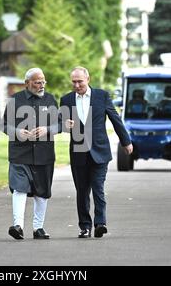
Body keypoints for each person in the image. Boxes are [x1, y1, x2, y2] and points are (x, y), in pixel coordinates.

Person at [60, 67, 133, 238]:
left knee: (98, 188)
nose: (77, 85)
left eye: (80, 81)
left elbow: (115, 119)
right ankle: (85, 226)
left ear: (88, 79)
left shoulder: (102, 96)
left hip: (99, 150)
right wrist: (65, 124)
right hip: (78, 152)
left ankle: (100, 223)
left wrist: (126, 141)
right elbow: (60, 122)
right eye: (74, 82)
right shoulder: (66, 100)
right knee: (82, 191)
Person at [3, 68, 60, 240]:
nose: (41, 85)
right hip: (20, 153)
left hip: (44, 154)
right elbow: (4, 125)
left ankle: (38, 228)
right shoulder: (15, 100)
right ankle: (18, 226)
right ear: (27, 83)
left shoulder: (50, 100)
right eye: (37, 82)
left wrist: (47, 130)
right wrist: (17, 132)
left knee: (42, 191)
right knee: (19, 188)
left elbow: (60, 124)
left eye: (43, 81)